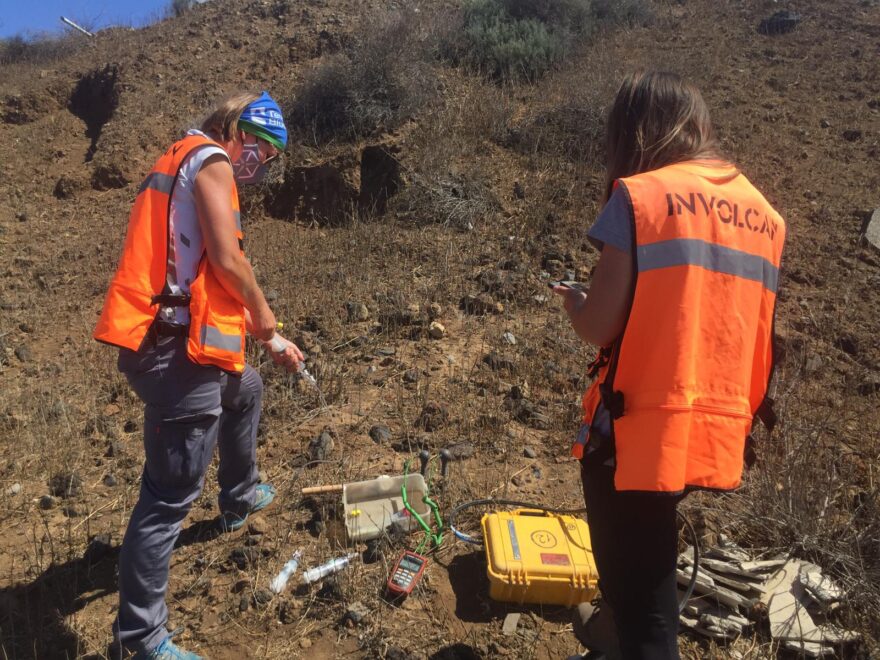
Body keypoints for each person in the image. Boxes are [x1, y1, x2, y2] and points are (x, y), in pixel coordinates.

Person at [553, 71, 786, 660]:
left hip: (637, 428)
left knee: (646, 606)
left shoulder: (640, 197)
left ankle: (632, 636)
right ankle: (617, 627)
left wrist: (577, 303)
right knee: (647, 548)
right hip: (712, 426)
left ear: (633, 130)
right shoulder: (764, 214)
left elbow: (601, 326)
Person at [94, 91, 304, 660]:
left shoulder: (183, 156)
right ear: (236, 130)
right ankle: (139, 642)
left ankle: (237, 497)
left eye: (268, 159)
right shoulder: (211, 159)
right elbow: (230, 262)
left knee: (247, 389)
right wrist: (268, 329)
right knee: (168, 496)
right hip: (171, 351)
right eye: (259, 150)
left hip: (172, 341)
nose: (257, 165)